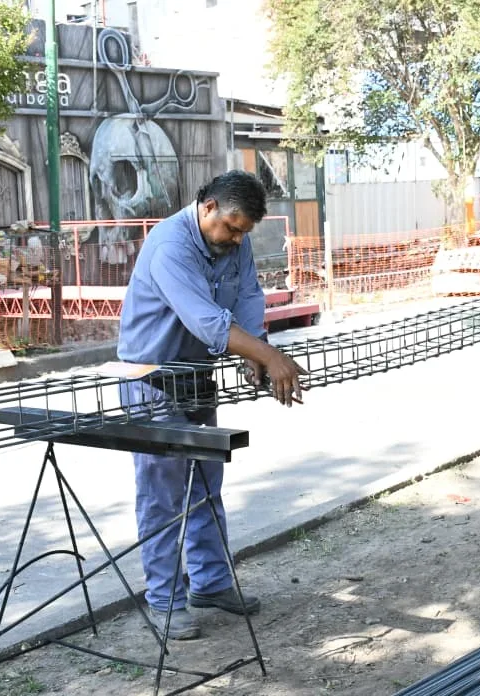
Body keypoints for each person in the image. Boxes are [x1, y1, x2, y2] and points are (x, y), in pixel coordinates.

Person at [117, 170, 307, 640]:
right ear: (207, 208)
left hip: (195, 377)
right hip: (152, 381)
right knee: (162, 498)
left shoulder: (234, 245)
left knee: (205, 483)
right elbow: (207, 321)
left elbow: (246, 298)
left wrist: (257, 350)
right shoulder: (170, 247)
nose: (237, 239)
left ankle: (211, 583)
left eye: (244, 232)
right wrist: (271, 357)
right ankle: (164, 602)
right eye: (232, 228)